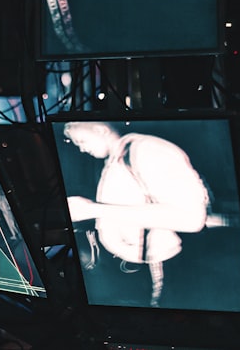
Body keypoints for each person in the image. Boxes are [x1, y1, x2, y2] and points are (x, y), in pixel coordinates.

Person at [62, 121, 211, 307]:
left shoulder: (146, 150)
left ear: (101, 129)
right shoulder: (118, 157)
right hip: (141, 271)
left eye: (82, 141)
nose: (82, 149)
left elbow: (191, 218)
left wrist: (92, 209)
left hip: (163, 270)